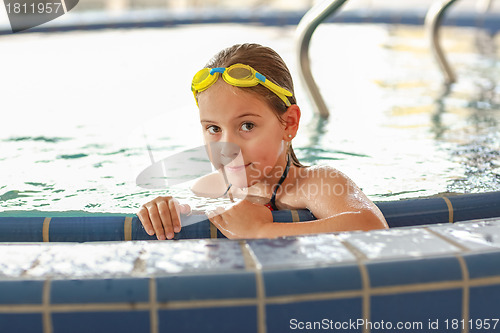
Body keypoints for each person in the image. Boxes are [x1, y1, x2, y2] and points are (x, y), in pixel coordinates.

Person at [137, 43, 388, 240]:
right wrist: (164, 208)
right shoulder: (207, 188)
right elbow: (183, 214)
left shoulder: (317, 183)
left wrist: (261, 232)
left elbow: (373, 227)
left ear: (289, 124)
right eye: (213, 128)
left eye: (247, 126)